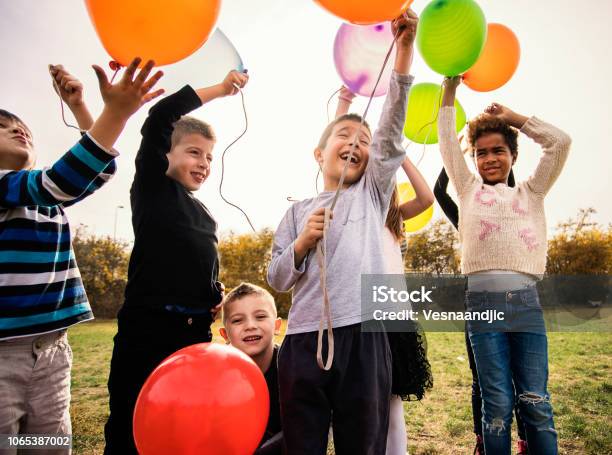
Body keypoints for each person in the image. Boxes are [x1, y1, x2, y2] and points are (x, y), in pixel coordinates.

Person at [267, 10, 418, 453]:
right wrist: (300, 244)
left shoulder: (372, 193)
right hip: (301, 341)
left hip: (365, 340)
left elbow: (390, 130)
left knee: (363, 442)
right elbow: (277, 279)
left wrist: (404, 54)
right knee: (303, 443)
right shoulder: (297, 212)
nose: (356, 142)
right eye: (345, 134)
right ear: (319, 153)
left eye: (364, 141)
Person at [0, 58, 163, 453]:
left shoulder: (45, 199)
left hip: (52, 351)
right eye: (3, 128)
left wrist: (79, 106)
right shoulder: (7, 188)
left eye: (23, 128)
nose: (18, 129)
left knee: (49, 444)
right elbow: (63, 179)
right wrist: (116, 113)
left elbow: (98, 171)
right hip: (4, 358)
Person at [103, 70, 249, 454]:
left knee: (184, 423)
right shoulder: (153, 189)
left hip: (193, 334)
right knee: (130, 425)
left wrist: (212, 292)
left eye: (209, 157)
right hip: (147, 332)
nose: (203, 163)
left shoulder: (203, 213)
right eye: (193, 152)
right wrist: (220, 88)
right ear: (165, 153)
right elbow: (160, 115)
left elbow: (197, 260)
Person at [438, 75, 571, 454]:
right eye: (481, 152)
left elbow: (559, 143)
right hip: (482, 308)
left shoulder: (532, 192)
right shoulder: (467, 190)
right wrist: (450, 91)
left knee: (535, 399)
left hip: (526, 305)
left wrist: (514, 119)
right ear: (474, 159)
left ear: (512, 155)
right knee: (496, 401)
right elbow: (448, 141)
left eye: (498, 151)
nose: (490, 158)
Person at [335, 85, 434, 455]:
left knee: (392, 402)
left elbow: (426, 198)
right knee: (357, 398)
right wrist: (344, 105)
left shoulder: (393, 218)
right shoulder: (350, 206)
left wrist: (399, 156)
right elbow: (338, 151)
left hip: (390, 315)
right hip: (355, 314)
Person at [434, 154, 528, 455]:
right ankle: (482, 440)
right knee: (481, 380)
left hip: (517, 302)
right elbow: (439, 191)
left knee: (520, 378)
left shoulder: (516, 210)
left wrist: (505, 158)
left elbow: (509, 187)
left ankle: (525, 441)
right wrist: (455, 154)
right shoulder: (468, 218)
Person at [220, 283, 283, 455]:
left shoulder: (290, 365)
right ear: (225, 334)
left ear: (277, 326)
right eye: (238, 320)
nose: (250, 326)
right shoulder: (220, 375)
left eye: (260, 317)